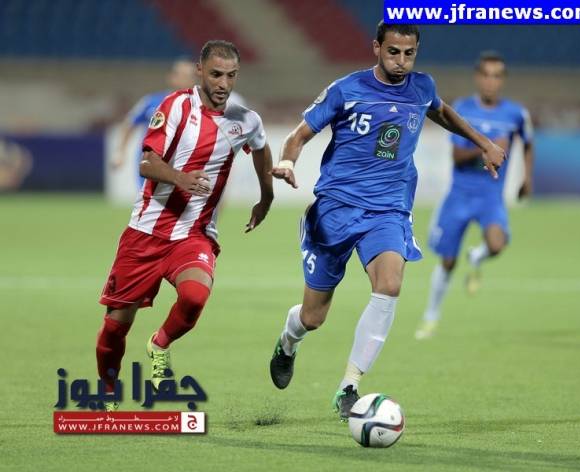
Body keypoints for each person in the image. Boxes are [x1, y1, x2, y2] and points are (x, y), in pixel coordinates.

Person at [268, 22, 506, 421]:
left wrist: (483, 143)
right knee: (313, 317)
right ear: (377, 48)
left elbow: (442, 112)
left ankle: (349, 386)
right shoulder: (347, 89)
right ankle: (288, 342)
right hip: (336, 209)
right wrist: (287, 162)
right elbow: (299, 135)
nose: (401, 61)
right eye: (393, 52)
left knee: (390, 284)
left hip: (388, 210)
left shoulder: (422, 87)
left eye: (409, 54)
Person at [96, 40, 273, 411]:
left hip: (193, 234)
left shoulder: (244, 119)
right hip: (146, 232)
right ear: (200, 71)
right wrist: (180, 178)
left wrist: (266, 196)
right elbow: (147, 163)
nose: (224, 83)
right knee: (115, 326)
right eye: (216, 74)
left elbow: (261, 148)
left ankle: (159, 343)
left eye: (231, 75)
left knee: (194, 297)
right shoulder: (174, 106)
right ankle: (108, 393)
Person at [415, 51, 534, 341]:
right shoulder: (462, 108)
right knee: (447, 262)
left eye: (497, 76)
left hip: (491, 196)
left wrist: (526, 179)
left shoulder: (516, 114)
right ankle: (431, 316)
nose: (491, 81)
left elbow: (529, 143)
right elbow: (456, 156)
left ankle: (477, 255)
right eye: (486, 75)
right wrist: (488, 147)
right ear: (478, 77)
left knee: (497, 244)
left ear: (502, 80)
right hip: (459, 195)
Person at [111, 59, 247, 189]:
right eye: (182, 75)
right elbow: (129, 124)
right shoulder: (151, 102)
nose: (187, 80)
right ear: (172, 77)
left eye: (190, 76)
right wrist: (120, 152)